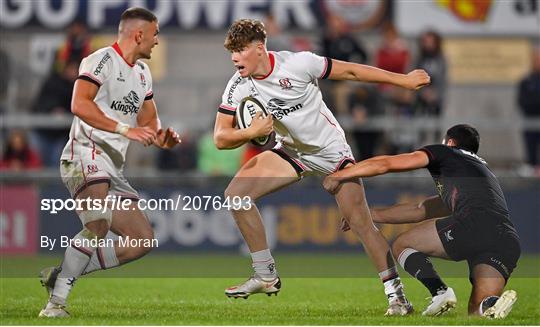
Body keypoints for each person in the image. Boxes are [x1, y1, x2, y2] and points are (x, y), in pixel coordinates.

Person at [213, 19, 430, 315]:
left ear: (260, 48)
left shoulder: (299, 63)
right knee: (236, 195)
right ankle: (265, 274)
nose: (234, 57)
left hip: (331, 153)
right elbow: (221, 138)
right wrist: (249, 133)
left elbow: (352, 70)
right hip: (291, 151)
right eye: (231, 52)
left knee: (360, 223)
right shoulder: (237, 85)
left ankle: (398, 298)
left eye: (240, 50)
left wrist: (402, 80)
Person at [38, 7, 181, 318]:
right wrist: (123, 128)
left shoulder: (143, 74)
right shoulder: (100, 59)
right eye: (155, 34)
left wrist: (161, 137)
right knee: (98, 224)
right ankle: (55, 305)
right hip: (84, 152)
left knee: (142, 241)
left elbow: (149, 122)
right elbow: (79, 104)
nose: (157, 41)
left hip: (112, 166)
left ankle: (62, 273)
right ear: (138, 34)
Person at [323, 124, 520, 318]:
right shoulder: (480, 173)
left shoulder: (445, 152)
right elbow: (420, 210)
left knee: (402, 245)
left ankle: (439, 292)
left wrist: (341, 174)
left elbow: (386, 164)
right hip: (506, 239)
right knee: (477, 311)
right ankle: (491, 304)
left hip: (475, 223)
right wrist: (366, 215)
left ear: (449, 142)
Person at [517, 47, 540, 172]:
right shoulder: (526, 81)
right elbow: (522, 101)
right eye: (536, 60)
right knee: (531, 150)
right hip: (530, 121)